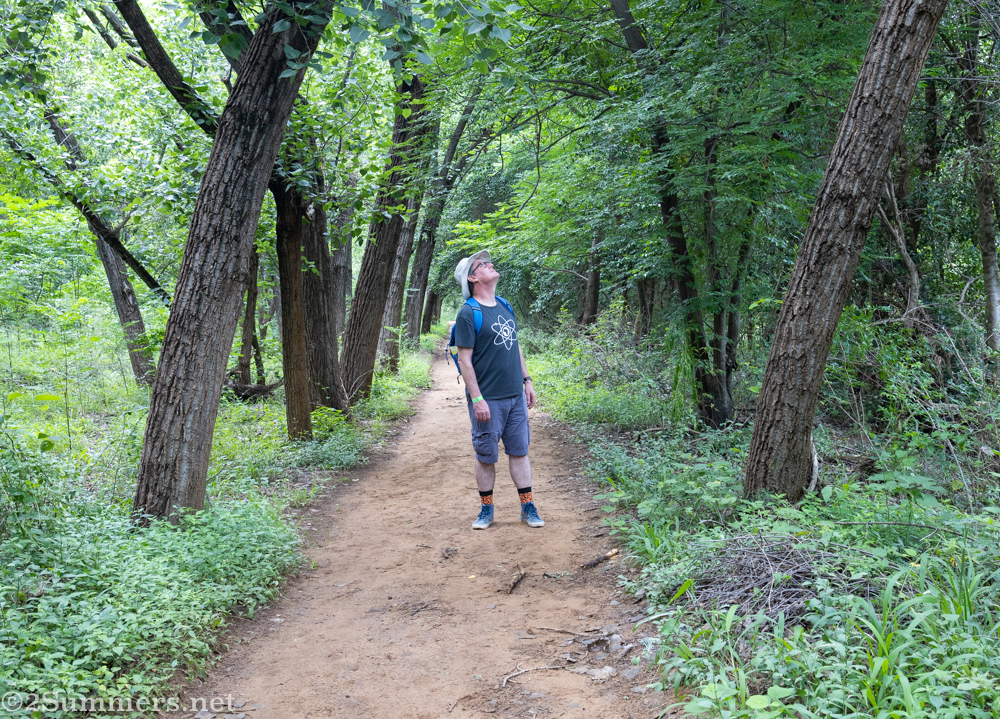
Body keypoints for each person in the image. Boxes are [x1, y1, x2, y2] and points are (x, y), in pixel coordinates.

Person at [452, 250, 543, 530]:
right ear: (473, 277)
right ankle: (486, 510)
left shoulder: (505, 305)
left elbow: (515, 345)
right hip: (487, 398)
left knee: (519, 451)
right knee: (486, 455)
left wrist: (526, 380)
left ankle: (527, 507)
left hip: (515, 396)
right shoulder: (468, 313)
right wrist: (477, 399)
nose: (490, 264)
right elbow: (465, 360)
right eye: (483, 264)